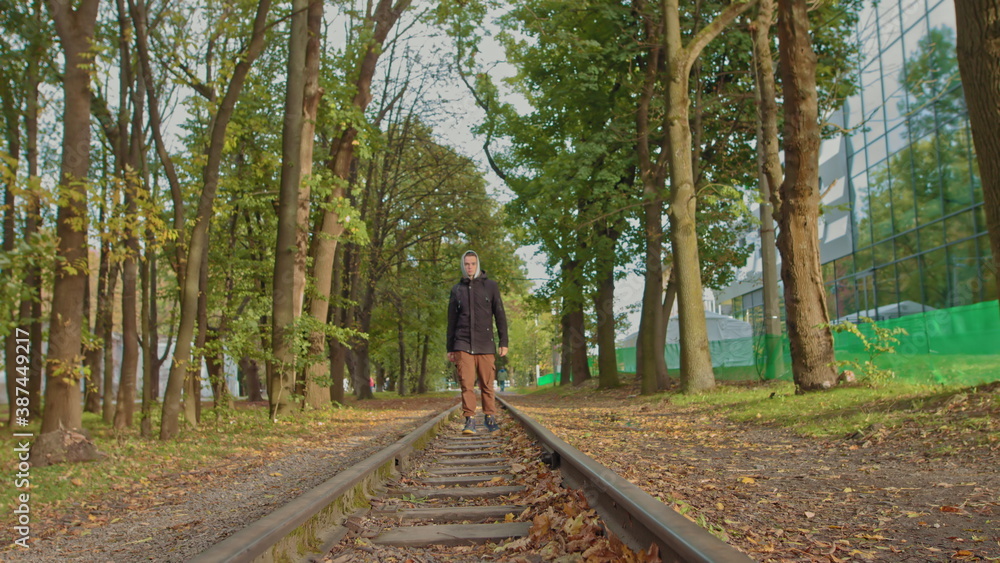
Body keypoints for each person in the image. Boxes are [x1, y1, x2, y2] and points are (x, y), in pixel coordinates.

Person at [447, 250, 508, 434]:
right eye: (466, 264)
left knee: (487, 384)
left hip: (485, 343)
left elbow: (500, 315)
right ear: (463, 266)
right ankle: (470, 420)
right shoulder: (457, 290)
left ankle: (490, 417)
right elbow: (451, 320)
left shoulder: (490, 286)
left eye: (473, 263)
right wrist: (450, 347)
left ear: (478, 264)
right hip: (462, 343)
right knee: (466, 383)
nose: (470, 267)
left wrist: (503, 341)